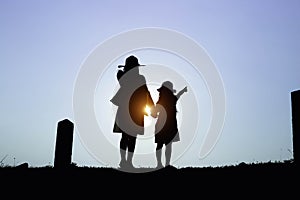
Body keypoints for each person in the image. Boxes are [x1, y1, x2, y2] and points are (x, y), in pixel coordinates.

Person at [110, 55, 154, 169]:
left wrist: (152, 107)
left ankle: (128, 162)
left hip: (136, 109)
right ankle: (124, 161)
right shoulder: (123, 76)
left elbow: (146, 92)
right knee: (126, 136)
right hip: (129, 109)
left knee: (132, 137)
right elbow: (123, 82)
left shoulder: (139, 78)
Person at [151, 81, 187, 169]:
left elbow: (154, 113)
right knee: (168, 145)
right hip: (170, 125)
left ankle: (159, 164)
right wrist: (182, 91)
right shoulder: (172, 99)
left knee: (160, 145)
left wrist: (153, 113)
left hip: (162, 125)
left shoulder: (161, 100)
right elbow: (177, 96)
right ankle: (166, 164)